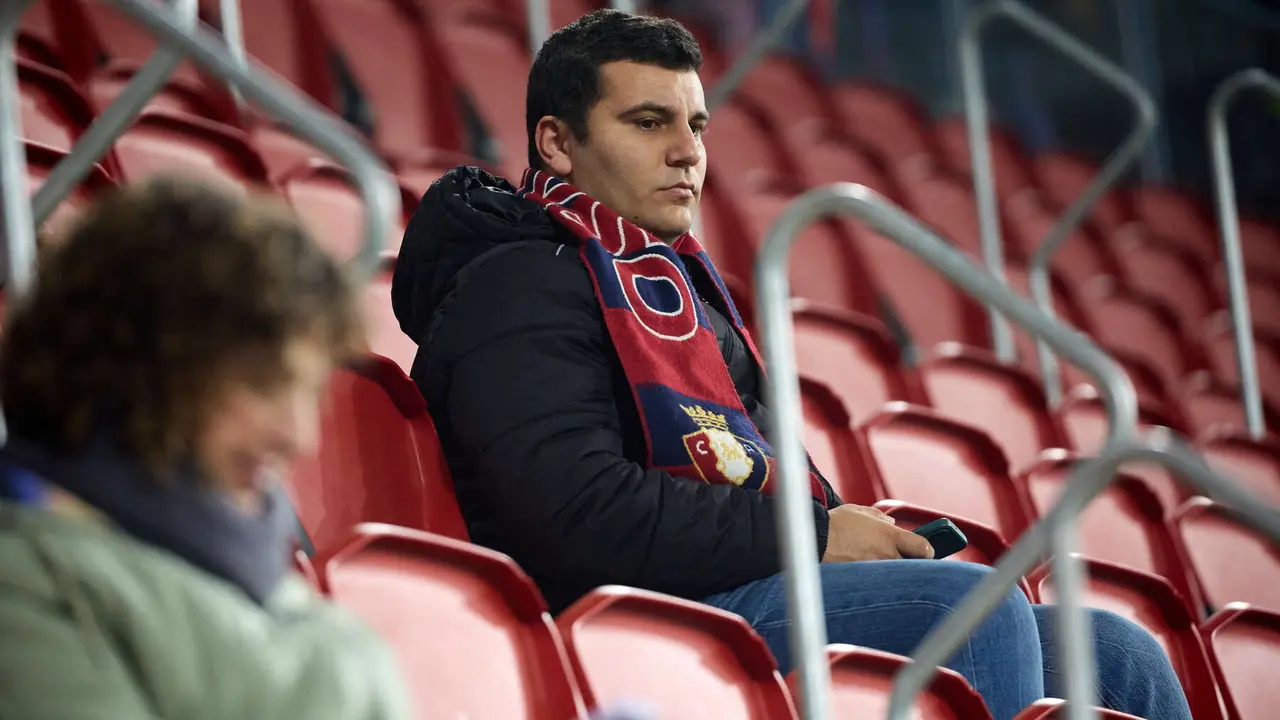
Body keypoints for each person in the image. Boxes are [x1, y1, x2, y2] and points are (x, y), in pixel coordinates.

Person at [392, 10, 1192, 720]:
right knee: (974, 610)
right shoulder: (516, 282)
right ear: (557, 143)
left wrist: (850, 534)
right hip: (625, 608)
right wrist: (809, 535)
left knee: (1117, 652)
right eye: (648, 122)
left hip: (722, 582)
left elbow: (764, 475)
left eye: (697, 126)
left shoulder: (675, 291)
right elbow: (576, 514)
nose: (687, 153)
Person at [0, 178, 411, 719]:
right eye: (264, 384)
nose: (298, 435)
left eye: (309, 392)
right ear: (142, 366)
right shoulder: (28, 580)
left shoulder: (273, 591)